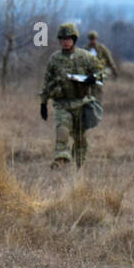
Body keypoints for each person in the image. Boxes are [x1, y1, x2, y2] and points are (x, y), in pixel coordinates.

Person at [39, 23, 101, 168]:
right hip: (62, 104)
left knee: (80, 139)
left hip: (81, 103)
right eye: (62, 39)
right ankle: (60, 160)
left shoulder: (85, 57)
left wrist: (94, 77)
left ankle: (80, 168)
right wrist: (43, 103)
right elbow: (47, 82)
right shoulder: (54, 59)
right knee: (62, 130)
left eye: (68, 39)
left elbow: (101, 71)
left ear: (74, 39)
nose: (65, 42)